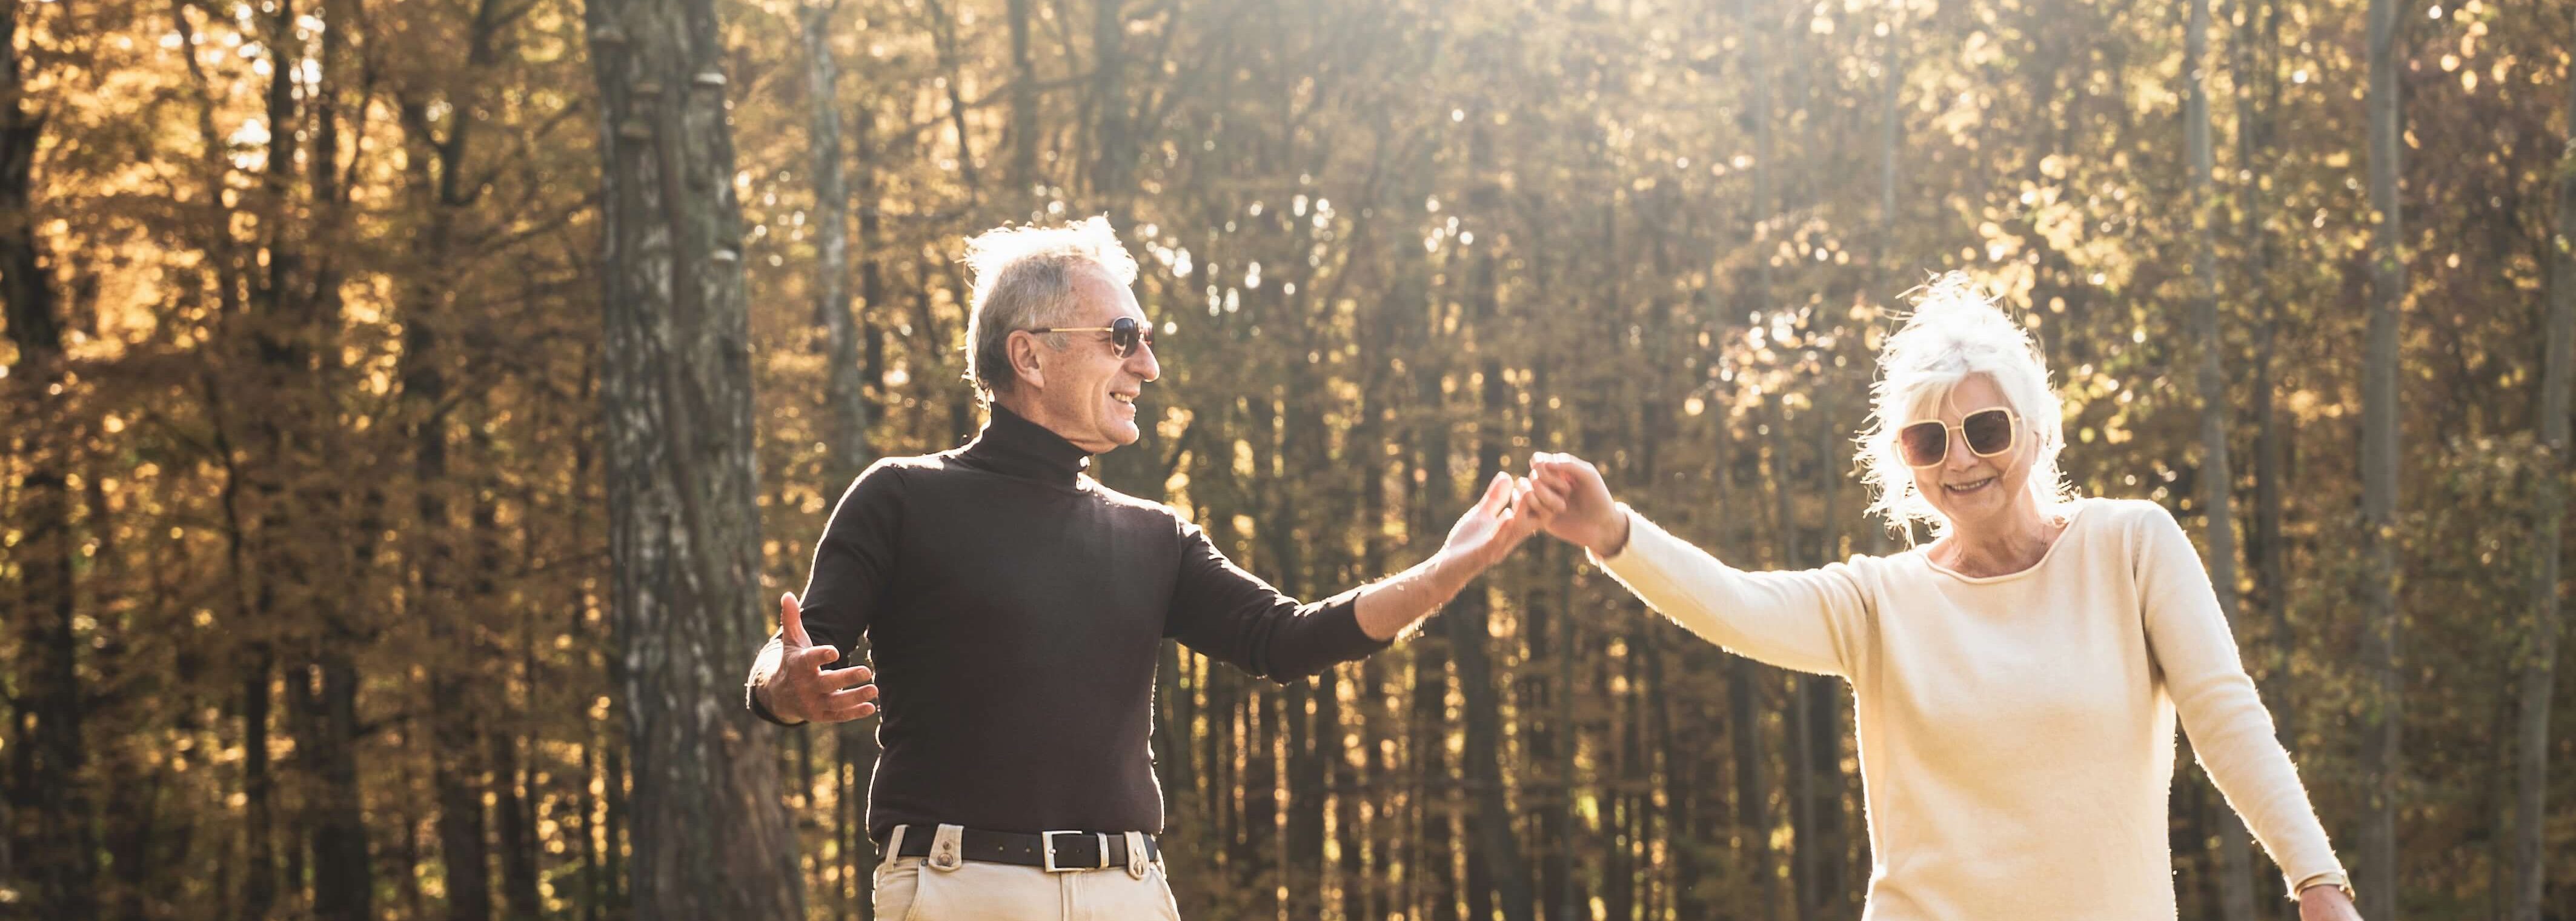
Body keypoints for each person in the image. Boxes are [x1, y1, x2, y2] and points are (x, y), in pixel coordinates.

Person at [742, 216, 1540, 920]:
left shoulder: (1155, 536)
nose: (1149, 366)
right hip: (963, 891)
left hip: (1130, 893)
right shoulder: (902, 499)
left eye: (1148, 339)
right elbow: (801, 648)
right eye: (1123, 336)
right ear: (1031, 355)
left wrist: (1444, 571)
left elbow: (1285, 639)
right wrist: (785, 686)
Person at [1516, 274, 2363, 920]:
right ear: (1906, 463)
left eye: (1985, 431)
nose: (1961, 462)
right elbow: (1739, 607)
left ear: (2035, 432)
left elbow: (2227, 716)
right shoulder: (1880, 603)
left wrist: (2315, 876)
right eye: (1930, 441)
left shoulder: (2132, 546)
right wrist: (1613, 532)